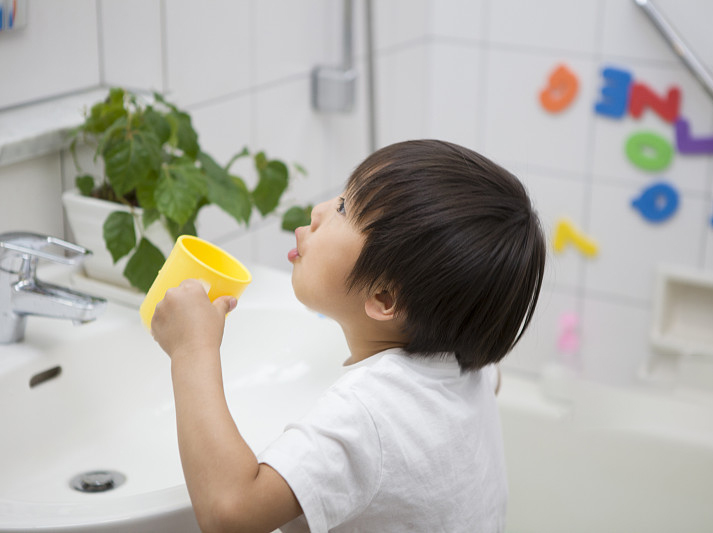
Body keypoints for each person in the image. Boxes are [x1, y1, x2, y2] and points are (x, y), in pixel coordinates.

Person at [151, 139, 547, 532]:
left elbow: (230, 514)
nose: (319, 211)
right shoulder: (467, 364)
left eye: (343, 209)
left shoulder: (367, 413)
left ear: (384, 296)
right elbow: (487, 386)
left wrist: (192, 349)